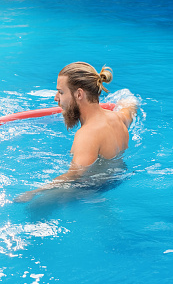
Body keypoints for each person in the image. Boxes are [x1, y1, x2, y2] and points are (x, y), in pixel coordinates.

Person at [14, 62, 138, 203]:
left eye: (61, 92)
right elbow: (131, 107)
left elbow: (75, 174)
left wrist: (34, 192)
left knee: (35, 206)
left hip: (89, 189)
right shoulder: (118, 118)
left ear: (79, 94)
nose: (56, 98)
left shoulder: (87, 134)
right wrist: (127, 101)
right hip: (117, 180)